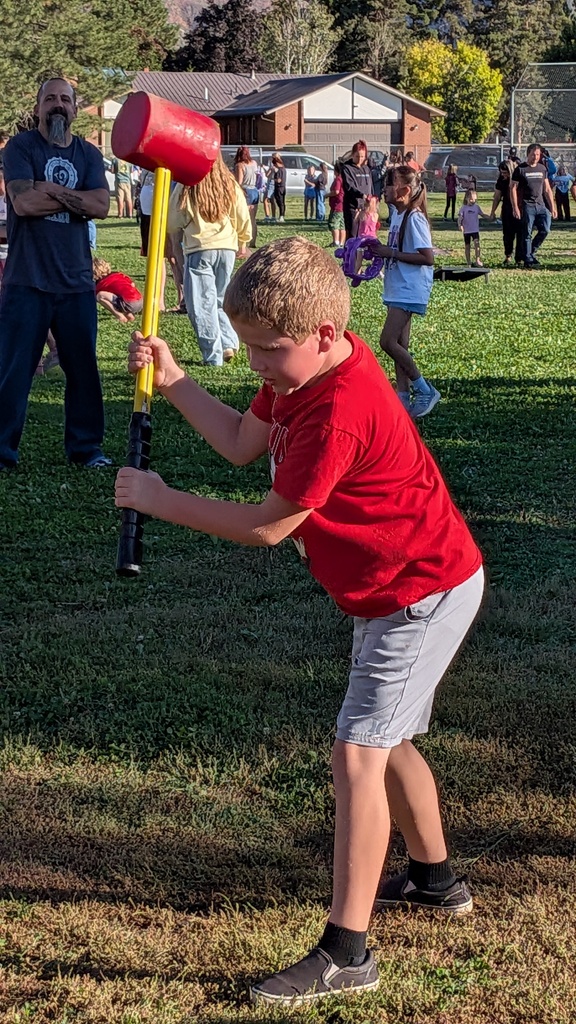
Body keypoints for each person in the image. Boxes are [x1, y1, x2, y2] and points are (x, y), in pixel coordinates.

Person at [115, 235, 484, 1009]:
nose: (256, 366)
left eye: (266, 351)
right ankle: (435, 880)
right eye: (247, 348)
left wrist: (160, 499)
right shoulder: (301, 371)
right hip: (391, 589)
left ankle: (348, 952)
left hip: (420, 589)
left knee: (358, 752)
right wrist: (177, 379)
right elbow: (244, 444)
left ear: (324, 334)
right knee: (388, 740)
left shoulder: (340, 408)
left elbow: (269, 525)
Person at [0, 77, 111, 470]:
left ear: (76, 108)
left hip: (77, 281)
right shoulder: (21, 147)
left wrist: (49, 189)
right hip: (26, 281)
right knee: (13, 370)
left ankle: (87, 450)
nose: (58, 105)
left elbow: (101, 206)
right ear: (38, 107)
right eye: (50, 99)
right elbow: (24, 202)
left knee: (83, 369)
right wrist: (74, 199)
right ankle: (2, 451)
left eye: (65, 99)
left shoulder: (89, 154)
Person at [366, 165, 438, 418]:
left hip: (409, 288)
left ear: (404, 190)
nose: (384, 188)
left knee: (387, 341)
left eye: (389, 183)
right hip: (398, 285)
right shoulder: (397, 216)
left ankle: (424, 389)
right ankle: (403, 398)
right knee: (400, 344)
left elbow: (427, 257)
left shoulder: (414, 218)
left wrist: (391, 253)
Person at [167, 153, 250, 367]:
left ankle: (213, 355)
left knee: (201, 304)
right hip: (227, 247)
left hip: (199, 248)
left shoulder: (189, 183)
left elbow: (174, 219)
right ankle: (229, 343)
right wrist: (244, 238)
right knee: (222, 298)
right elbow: (241, 212)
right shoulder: (229, 181)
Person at [511, 143, 556, 268]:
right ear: (528, 154)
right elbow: (513, 189)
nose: (535, 157)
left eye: (537, 155)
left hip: (541, 205)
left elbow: (547, 189)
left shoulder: (542, 169)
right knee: (527, 233)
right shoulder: (520, 169)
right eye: (533, 154)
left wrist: (552, 207)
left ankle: (530, 252)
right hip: (527, 205)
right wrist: (515, 207)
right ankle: (528, 259)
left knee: (545, 230)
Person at [489, 161, 522, 265]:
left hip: (520, 208)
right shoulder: (501, 180)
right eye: (501, 172)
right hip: (507, 209)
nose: (503, 175)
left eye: (505, 172)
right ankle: (508, 255)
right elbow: (497, 196)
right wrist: (492, 211)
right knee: (508, 234)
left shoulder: (519, 177)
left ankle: (519, 258)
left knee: (521, 234)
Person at [93, 256, 143, 322]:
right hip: (140, 301)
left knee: (100, 295)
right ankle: (129, 314)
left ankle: (120, 316)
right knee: (119, 298)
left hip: (129, 303)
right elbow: (132, 284)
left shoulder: (102, 283)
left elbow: (94, 295)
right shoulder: (119, 275)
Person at [342, 140, 373, 239]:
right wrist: (361, 195)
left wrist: (372, 199)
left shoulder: (366, 169)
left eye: (362, 157)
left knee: (366, 234)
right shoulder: (347, 168)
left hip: (367, 207)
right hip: (353, 207)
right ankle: (351, 253)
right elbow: (349, 187)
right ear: (352, 155)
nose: (360, 159)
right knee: (353, 235)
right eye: (357, 156)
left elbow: (370, 186)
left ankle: (363, 254)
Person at [233, 146, 259, 247]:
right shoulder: (254, 163)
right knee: (253, 219)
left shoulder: (240, 165)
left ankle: (242, 243)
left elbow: (239, 182)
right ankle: (253, 242)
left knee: (243, 218)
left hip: (245, 191)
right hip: (254, 190)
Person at [457, 189, 487, 267]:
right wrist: (460, 225)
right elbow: (460, 217)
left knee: (477, 244)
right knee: (467, 246)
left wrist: (490, 217)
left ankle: (477, 260)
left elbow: (482, 215)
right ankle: (468, 262)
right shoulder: (463, 208)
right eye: (471, 199)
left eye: (475, 199)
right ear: (466, 198)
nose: (473, 201)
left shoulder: (476, 207)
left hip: (475, 230)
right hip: (467, 231)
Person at [327, 160, 345, 247]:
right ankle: (341, 242)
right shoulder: (344, 179)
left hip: (337, 205)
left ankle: (336, 241)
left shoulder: (338, 179)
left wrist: (327, 195)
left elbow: (336, 191)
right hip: (343, 205)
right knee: (342, 225)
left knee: (334, 223)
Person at [271, 153, 286, 224]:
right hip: (283, 187)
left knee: (280, 202)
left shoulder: (279, 170)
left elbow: (279, 180)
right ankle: (281, 216)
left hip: (279, 187)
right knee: (281, 202)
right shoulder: (283, 168)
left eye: (274, 164)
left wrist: (273, 179)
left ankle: (281, 216)